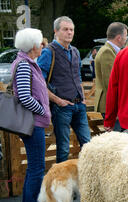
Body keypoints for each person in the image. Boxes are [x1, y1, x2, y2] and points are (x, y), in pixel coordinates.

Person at [11, 28, 51, 202]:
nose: (42, 46)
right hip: (33, 124)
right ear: (34, 46)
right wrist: (42, 110)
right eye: (40, 43)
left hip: (33, 123)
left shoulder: (27, 63)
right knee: (37, 168)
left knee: (34, 168)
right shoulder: (25, 65)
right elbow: (24, 97)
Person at [37, 16, 91, 163]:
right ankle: (61, 183)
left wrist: (83, 98)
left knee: (88, 145)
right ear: (56, 31)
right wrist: (58, 101)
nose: (69, 33)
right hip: (62, 108)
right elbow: (39, 83)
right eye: (65, 29)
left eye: (71, 29)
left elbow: (78, 77)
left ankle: (87, 181)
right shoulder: (48, 52)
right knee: (63, 149)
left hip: (79, 105)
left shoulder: (75, 51)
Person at [94, 22, 128, 118]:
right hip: (111, 105)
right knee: (117, 133)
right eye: (125, 35)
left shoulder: (110, 51)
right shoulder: (107, 52)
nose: (126, 39)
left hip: (112, 104)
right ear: (119, 37)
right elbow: (110, 83)